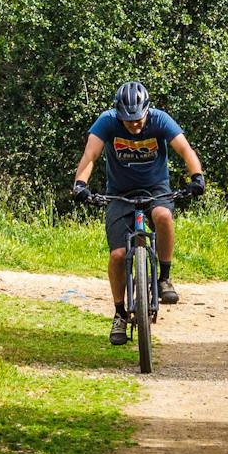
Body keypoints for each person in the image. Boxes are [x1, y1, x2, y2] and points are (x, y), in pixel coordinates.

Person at [71, 82, 206, 346]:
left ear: (147, 109)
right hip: (120, 192)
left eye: (138, 119)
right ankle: (120, 313)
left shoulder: (160, 120)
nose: (133, 125)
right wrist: (80, 185)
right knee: (118, 255)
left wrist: (197, 177)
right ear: (118, 113)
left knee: (164, 217)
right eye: (127, 120)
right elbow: (91, 155)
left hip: (156, 188)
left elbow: (185, 150)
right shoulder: (107, 122)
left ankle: (165, 278)